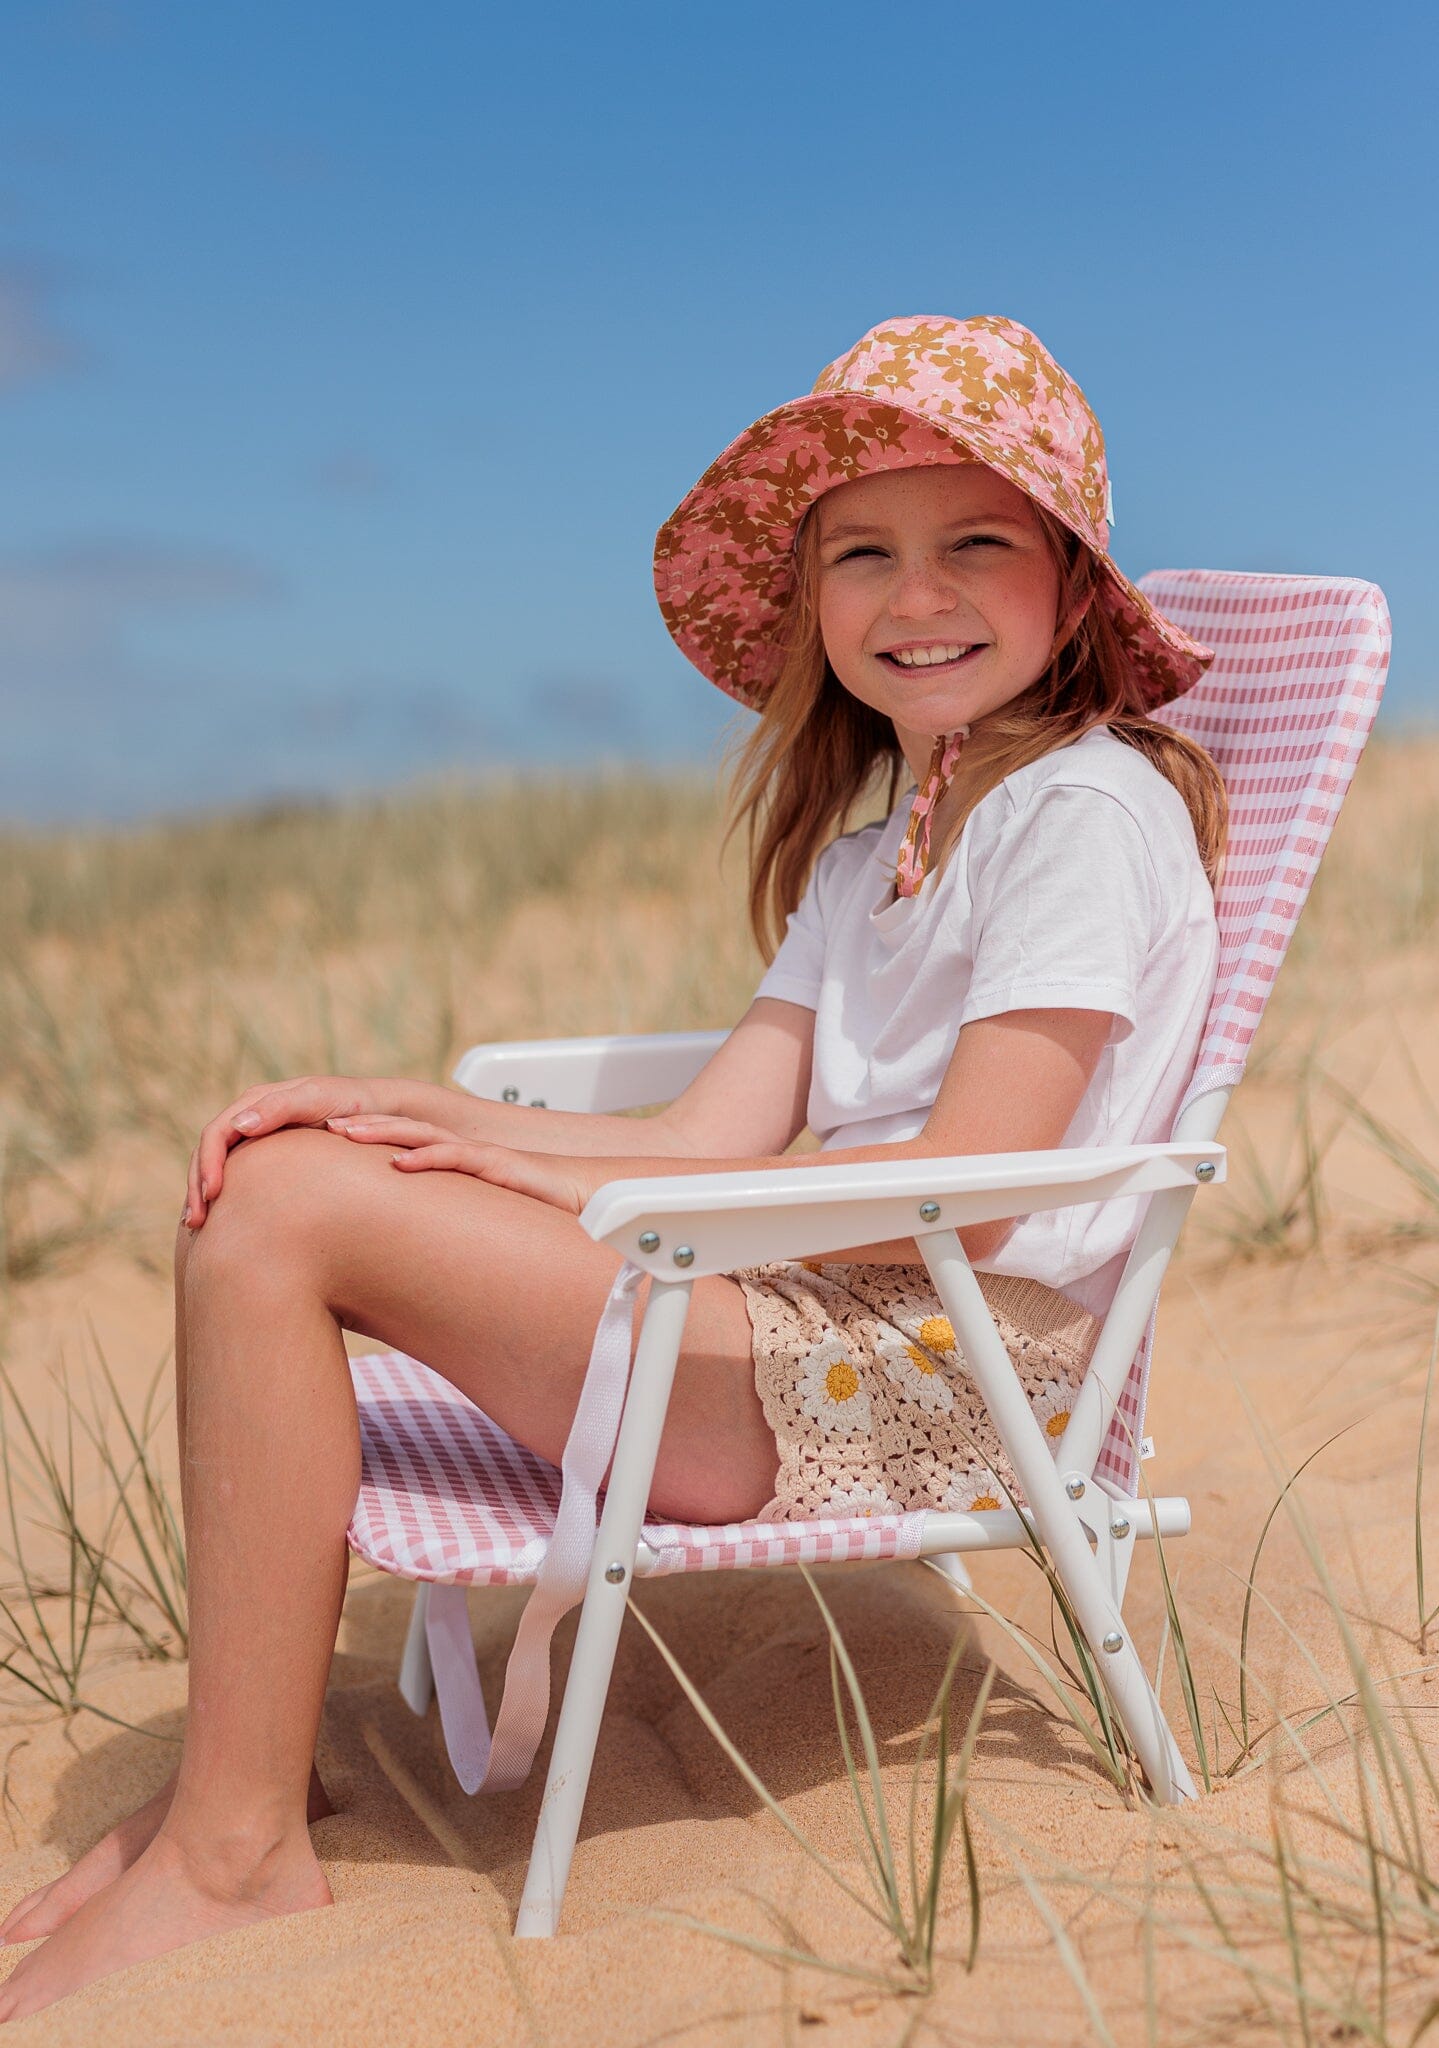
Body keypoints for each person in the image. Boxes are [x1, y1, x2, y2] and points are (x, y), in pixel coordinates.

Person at [0, 313, 1224, 2018]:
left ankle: (234, 1850)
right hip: (827, 1311)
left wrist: (667, 1234)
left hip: (953, 1368)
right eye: (862, 553)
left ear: (1073, 584)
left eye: (976, 545)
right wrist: (434, 1123)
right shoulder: (886, 842)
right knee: (291, 1176)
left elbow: (980, 1185)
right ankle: (246, 1784)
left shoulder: (1083, 814)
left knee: (280, 1222)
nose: (914, 594)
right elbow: (701, 1137)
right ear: (811, 606)